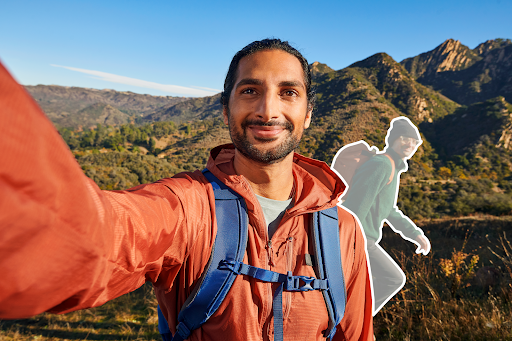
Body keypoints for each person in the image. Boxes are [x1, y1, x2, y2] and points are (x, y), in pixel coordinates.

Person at [0, 39, 373, 340]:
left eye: (288, 92)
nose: (267, 109)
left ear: (308, 114)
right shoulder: (187, 206)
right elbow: (101, 238)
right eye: (249, 90)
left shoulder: (342, 232)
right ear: (226, 111)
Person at [339, 117, 431, 315]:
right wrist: (350, 241)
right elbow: (356, 205)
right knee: (393, 279)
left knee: (359, 286)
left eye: (414, 142)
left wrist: (415, 234)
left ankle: (350, 321)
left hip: (362, 238)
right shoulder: (381, 164)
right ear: (393, 140)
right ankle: (352, 321)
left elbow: (389, 209)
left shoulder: (392, 167)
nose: (410, 144)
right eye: (405, 139)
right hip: (360, 239)